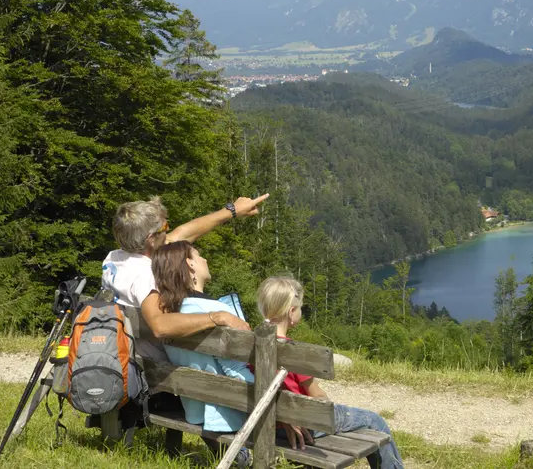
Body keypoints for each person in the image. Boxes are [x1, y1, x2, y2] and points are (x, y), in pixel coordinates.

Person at [257, 276, 405, 469]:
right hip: (304, 423)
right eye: (300, 307)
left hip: (267, 425)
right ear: (292, 312)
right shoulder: (294, 352)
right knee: (375, 421)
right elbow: (317, 396)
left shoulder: (250, 344)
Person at [102, 194, 267, 360]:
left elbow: (182, 234)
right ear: (150, 240)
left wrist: (231, 211)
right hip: (148, 369)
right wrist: (217, 317)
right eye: (164, 227)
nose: (168, 231)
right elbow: (159, 326)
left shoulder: (115, 258)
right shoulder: (145, 275)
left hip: (116, 351)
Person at [150, 241, 255, 468]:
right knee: (346, 417)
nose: (205, 260)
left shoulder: (175, 317)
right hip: (229, 414)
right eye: (199, 256)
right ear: (190, 265)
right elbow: (235, 372)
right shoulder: (214, 311)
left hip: (195, 410)